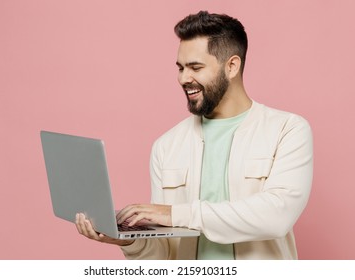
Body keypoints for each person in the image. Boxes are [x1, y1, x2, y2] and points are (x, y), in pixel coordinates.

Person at [75, 11, 313, 260]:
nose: (183, 79)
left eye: (195, 68)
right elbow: (164, 256)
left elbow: (277, 216)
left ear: (231, 66)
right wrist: (129, 240)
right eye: (180, 68)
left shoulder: (288, 129)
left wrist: (175, 214)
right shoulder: (166, 146)